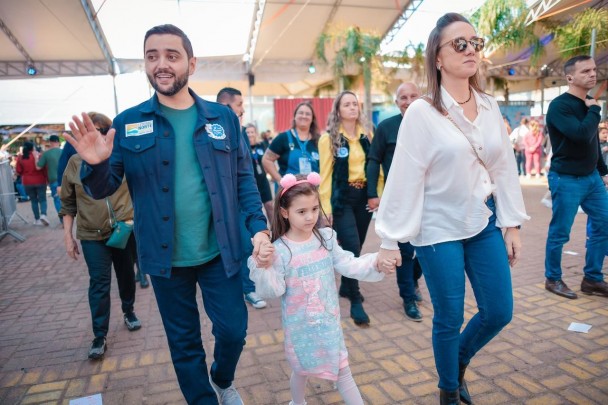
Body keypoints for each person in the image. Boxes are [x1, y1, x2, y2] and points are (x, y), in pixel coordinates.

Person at [65, 24, 273, 405]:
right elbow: (103, 187)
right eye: (152, 56)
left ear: (190, 64)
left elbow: (244, 179)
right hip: (165, 258)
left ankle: (222, 379)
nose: (161, 64)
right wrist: (95, 165)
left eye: (171, 56)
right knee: (184, 343)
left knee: (233, 331)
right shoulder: (128, 122)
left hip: (221, 251)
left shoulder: (222, 119)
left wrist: (258, 227)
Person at [375, 13, 528, 404]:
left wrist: (511, 224)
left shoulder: (490, 107)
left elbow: (504, 167)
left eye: (475, 42)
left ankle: (455, 363)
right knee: (448, 317)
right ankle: (448, 390)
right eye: (459, 43)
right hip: (437, 228)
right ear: (438, 58)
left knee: (499, 311)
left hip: (480, 222)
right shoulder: (422, 112)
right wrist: (390, 238)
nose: (470, 49)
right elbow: (404, 176)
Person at [248, 172, 392, 405]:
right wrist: (264, 266)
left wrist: (376, 262)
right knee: (301, 369)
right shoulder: (280, 250)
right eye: (302, 211)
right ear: (285, 212)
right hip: (299, 328)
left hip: (328, 323)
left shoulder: (325, 238)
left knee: (342, 369)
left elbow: (348, 263)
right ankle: (298, 402)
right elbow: (272, 290)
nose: (310, 217)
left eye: (315, 209)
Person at [59, 116, 141, 359]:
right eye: (89, 132)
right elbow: (68, 203)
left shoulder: (121, 158)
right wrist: (67, 236)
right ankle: (99, 334)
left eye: (100, 131)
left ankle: (129, 311)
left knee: (126, 274)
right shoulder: (74, 163)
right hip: (91, 234)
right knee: (99, 283)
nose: (94, 137)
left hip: (123, 229)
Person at [544, 55, 608, 300]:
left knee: (604, 224)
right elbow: (581, 134)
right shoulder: (560, 106)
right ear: (570, 77)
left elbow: (591, 144)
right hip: (566, 178)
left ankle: (592, 278)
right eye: (585, 71)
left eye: (593, 70)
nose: (592, 74)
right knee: (560, 232)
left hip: (591, 179)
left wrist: (603, 172)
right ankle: (553, 278)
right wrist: (595, 110)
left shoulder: (589, 105)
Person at [319, 91, 377, 327]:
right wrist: (325, 208)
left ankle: (345, 284)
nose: (352, 107)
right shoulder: (329, 139)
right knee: (351, 246)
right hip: (342, 198)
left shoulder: (367, 136)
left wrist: (376, 193)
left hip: (363, 196)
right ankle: (355, 298)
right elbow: (325, 176)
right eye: (347, 104)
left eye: (355, 104)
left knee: (358, 244)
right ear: (338, 110)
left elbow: (374, 168)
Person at [367, 82, 423, 322]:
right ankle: (408, 298)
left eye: (413, 96)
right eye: (403, 97)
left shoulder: (431, 125)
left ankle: (413, 281)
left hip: (430, 199)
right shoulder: (386, 127)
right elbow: (373, 160)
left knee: (426, 250)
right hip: (400, 199)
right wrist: (372, 193)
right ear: (396, 101)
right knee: (406, 251)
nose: (408, 101)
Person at [217, 88, 268, 310]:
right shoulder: (213, 132)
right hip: (221, 205)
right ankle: (238, 288)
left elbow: (247, 174)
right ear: (227, 106)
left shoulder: (239, 131)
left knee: (248, 244)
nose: (243, 110)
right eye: (239, 105)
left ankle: (248, 288)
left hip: (242, 204)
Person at [262, 101, 321, 183]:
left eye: (308, 114)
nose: (304, 116)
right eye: (301, 113)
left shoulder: (319, 140)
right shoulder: (283, 137)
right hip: (289, 191)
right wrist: (280, 180)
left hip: (312, 191)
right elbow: (266, 159)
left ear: (312, 118)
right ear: (294, 116)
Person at [15, 141, 49, 226]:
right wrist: (47, 179)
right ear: (33, 147)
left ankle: (37, 219)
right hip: (40, 180)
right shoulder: (39, 156)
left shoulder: (20, 158)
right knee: (42, 199)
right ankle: (43, 215)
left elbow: (18, 171)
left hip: (27, 182)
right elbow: (44, 168)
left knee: (33, 200)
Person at [245, 123, 274, 220]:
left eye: (252, 132)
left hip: (263, 180)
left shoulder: (262, 145)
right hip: (251, 182)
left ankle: (275, 231)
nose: (250, 134)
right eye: (247, 132)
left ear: (256, 133)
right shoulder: (243, 146)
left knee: (270, 205)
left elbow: (268, 160)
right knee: (255, 209)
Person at [36, 134, 63, 223]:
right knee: (68, 199)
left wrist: (36, 157)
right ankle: (69, 218)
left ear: (50, 142)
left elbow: (38, 167)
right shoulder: (64, 152)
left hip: (54, 180)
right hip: (67, 179)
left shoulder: (46, 154)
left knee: (57, 200)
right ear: (58, 142)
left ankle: (62, 219)